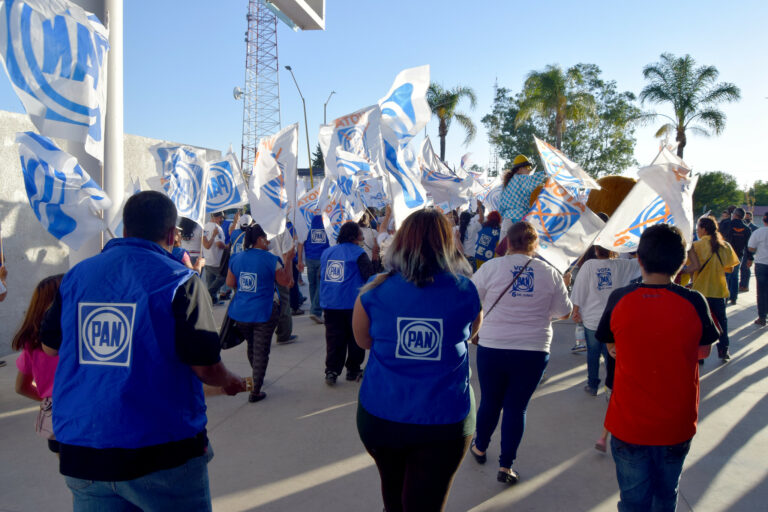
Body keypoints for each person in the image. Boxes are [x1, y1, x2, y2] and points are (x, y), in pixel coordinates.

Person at [40, 191, 245, 510]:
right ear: (171, 234)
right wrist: (231, 381)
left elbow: (49, 347)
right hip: (160, 451)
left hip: (82, 449)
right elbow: (206, 368)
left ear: (125, 230)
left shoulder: (76, 275)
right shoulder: (181, 280)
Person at [352, 209, 480, 512]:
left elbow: (363, 341)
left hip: (382, 413)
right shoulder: (465, 290)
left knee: (392, 493)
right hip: (445, 418)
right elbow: (472, 334)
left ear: (399, 242)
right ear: (447, 244)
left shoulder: (374, 289)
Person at [596, 224, 720, 512]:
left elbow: (610, 344)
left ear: (639, 259)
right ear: (682, 262)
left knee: (632, 501)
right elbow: (703, 350)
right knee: (665, 497)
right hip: (676, 423)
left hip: (628, 422)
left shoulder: (620, 298)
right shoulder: (694, 300)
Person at [469, 221, 572, 484]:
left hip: (493, 345)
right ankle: (506, 466)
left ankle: (479, 447)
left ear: (507, 242)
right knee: (517, 408)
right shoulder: (550, 273)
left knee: (490, 401)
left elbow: (470, 298)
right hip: (533, 349)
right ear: (535, 244)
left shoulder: (491, 267)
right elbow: (564, 312)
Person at [227, 224, 293, 402]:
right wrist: (288, 261)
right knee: (261, 350)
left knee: (252, 345)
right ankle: (255, 390)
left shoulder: (236, 258)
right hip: (264, 311)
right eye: (266, 238)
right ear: (259, 239)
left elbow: (230, 283)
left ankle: (257, 375)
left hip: (241, 312)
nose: (269, 241)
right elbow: (286, 281)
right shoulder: (271, 259)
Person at [13, 274, 64, 453]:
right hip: (82, 416)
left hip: (54, 421)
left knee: (67, 468)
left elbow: (21, 387)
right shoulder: (73, 341)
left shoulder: (31, 343)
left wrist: (48, 400)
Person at [320, 221, 374, 385]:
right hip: (352, 304)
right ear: (354, 236)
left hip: (330, 303)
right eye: (360, 233)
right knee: (355, 339)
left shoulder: (327, 252)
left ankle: (331, 371)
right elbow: (369, 276)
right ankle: (353, 369)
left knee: (334, 339)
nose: (362, 236)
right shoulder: (359, 253)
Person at [690, 216, 739, 361]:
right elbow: (730, 269)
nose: (697, 231)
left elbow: (690, 267)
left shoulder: (696, 246)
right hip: (718, 290)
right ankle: (724, 350)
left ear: (704, 229)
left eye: (698, 228)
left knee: (699, 323)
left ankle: (700, 355)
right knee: (721, 322)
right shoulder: (725, 245)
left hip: (699, 291)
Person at [497, 155, 547, 233]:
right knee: (520, 241)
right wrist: (546, 172)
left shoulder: (506, 184)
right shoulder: (522, 179)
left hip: (507, 220)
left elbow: (500, 205)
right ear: (519, 169)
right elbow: (535, 178)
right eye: (528, 168)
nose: (530, 170)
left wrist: (501, 219)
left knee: (504, 241)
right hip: (520, 219)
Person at [300, 213, 330, 324]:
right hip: (323, 257)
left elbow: (301, 242)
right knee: (320, 285)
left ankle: (314, 309)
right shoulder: (327, 218)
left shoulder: (306, 219)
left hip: (310, 257)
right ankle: (315, 310)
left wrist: (300, 260)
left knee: (313, 285)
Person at [269, 225, 298, 343]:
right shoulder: (281, 228)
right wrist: (289, 277)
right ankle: (283, 334)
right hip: (279, 270)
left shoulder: (257, 226)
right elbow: (287, 254)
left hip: (261, 270)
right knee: (284, 301)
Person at [722, 207, 750, 304]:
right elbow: (748, 245)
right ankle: (734, 297)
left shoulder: (727, 224)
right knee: (735, 276)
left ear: (734, 215)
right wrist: (750, 258)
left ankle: (725, 297)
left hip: (726, 254)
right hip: (738, 255)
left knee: (726, 276)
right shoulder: (747, 229)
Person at [747, 212, 768, 326]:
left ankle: (762, 317)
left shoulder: (758, 232)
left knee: (761, 292)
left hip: (761, 264)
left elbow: (750, 247)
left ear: (764, 220)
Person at [202, 211, 227, 304]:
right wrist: (227, 247)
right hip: (216, 260)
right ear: (219, 217)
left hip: (207, 258)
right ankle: (207, 294)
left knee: (210, 281)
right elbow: (219, 243)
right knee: (223, 277)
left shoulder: (204, 226)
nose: (222, 220)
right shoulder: (217, 228)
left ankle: (212, 300)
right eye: (221, 218)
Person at [739, 211, 759, 292]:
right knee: (741, 268)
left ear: (751, 218)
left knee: (745, 268)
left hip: (749, 250)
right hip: (741, 250)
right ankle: (741, 284)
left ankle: (745, 285)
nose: (747, 218)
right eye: (745, 217)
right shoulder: (741, 226)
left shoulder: (755, 228)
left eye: (748, 217)